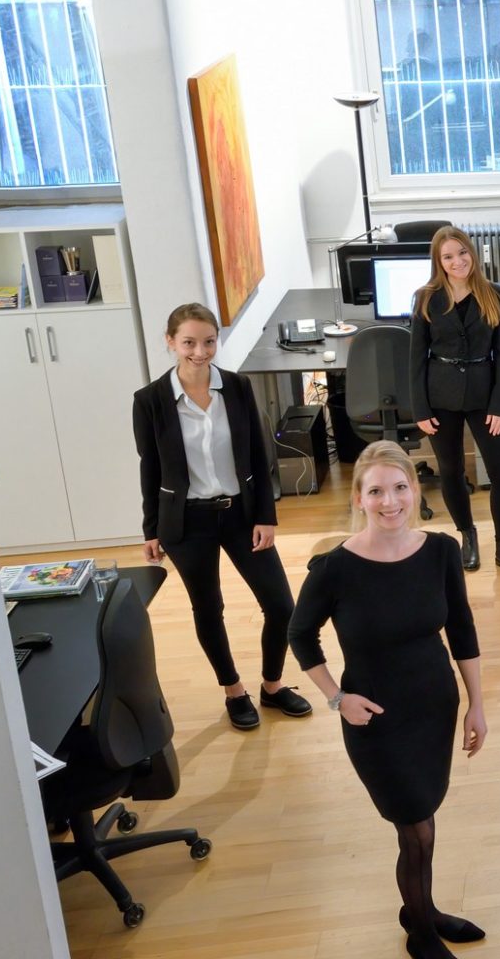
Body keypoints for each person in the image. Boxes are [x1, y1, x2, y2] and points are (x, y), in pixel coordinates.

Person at [289, 441, 486, 959]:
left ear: (415, 490)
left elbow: (462, 630)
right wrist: (337, 699)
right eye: (376, 491)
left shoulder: (441, 551)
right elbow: (300, 635)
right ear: (358, 498)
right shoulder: (334, 568)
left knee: (423, 820)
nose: (390, 501)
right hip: (375, 720)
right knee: (416, 829)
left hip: (434, 707)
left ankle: (422, 909)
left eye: (400, 488)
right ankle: (421, 933)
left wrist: (477, 704)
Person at [132, 302, 310, 731]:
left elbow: (258, 453)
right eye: (189, 342)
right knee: (208, 608)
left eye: (209, 341)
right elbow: (150, 468)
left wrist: (266, 515)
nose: (200, 352)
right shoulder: (150, 400)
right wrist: (151, 529)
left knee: (281, 606)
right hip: (186, 522)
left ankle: (272, 686)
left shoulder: (237, 387)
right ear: (171, 342)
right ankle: (233, 691)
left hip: (241, 515)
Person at [408, 225, 500, 579]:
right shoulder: (426, 298)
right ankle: (467, 537)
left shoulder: (494, 295)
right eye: (448, 257)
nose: (457, 261)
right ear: (438, 262)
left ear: (472, 253)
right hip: (440, 396)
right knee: (451, 470)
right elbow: (416, 359)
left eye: (462, 253)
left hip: (484, 396)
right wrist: (420, 409)